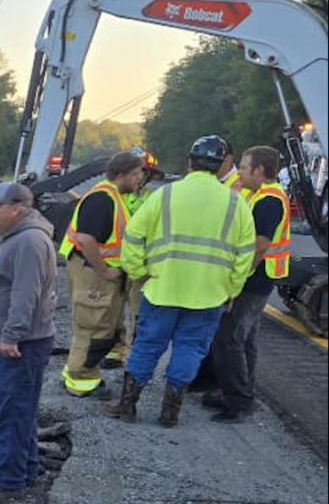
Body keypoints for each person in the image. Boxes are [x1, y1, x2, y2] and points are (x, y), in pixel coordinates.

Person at [106, 135, 257, 428]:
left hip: (163, 290)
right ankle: (170, 413)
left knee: (147, 347)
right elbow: (244, 255)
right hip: (209, 296)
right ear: (222, 165)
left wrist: (139, 271)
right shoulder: (236, 205)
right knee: (190, 350)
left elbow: (133, 237)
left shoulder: (164, 195)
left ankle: (127, 406)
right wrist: (232, 290)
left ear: (190, 162)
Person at [0, 182, 57, 494]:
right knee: (20, 409)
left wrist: (10, 336)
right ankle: (24, 469)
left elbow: (25, 294)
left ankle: (8, 479)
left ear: (16, 208)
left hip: (20, 344)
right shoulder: (17, 238)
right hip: (16, 340)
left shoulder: (29, 242)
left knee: (12, 409)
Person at [204, 145, 291, 421]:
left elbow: (259, 246)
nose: (239, 172)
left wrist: (235, 281)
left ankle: (238, 402)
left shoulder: (268, 200)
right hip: (258, 280)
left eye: (243, 166)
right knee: (245, 340)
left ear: (260, 170)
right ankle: (240, 391)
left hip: (252, 281)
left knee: (228, 339)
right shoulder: (260, 194)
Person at [58, 151, 145, 398]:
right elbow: (86, 239)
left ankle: (79, 373)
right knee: (92, 327)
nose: (141, 178)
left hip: (96, 273)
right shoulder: (102, 199)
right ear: (122, 175)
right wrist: (104, 270)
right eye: (137, 173)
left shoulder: (112, 196)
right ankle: (81, 382)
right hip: (94, 274)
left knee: (96, 324)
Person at [107, 147, 166, 366]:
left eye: (144, 174)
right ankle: (114, 349)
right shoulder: (113, 196)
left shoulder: (153, 199)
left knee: (138, 312)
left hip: (140, 263)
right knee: (112, 309)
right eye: (137, 173)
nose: (141, 178)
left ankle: (135, 355)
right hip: (114, 262)